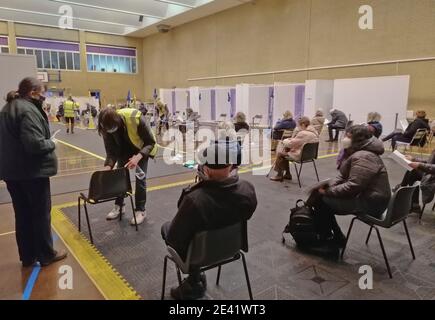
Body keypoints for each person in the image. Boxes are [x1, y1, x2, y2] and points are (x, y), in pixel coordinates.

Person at [160, 142, 257, 300]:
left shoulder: (195, 199)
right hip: (231, 248)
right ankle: (195, 279)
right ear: (231, 165)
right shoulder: (247, 189)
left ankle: (193, 282)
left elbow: (175, 238)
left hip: (199, 255)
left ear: (206, 169)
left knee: (167, 228)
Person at [0, 77, 67, 267]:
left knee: (22, 215)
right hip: (32, 173)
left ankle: (27, 256)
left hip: (13, 173)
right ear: (32, 93)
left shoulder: (7, 108)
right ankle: (46, 254)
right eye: (42, 92)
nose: (44, 95)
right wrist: (51, 143)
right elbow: (34, 144)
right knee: (40, 214)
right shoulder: (28, 110)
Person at [307, 125, 391, 248]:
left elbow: (353, 186)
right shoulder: (361, 152)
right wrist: (330, 186)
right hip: (372, 198)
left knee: (322, 201)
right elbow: (343, 176)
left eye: (348, 136)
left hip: (371, 204)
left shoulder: (363, 156)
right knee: (320, 197)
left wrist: (328, 192)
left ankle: (329, 238)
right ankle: (335, 235)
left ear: (357, 139)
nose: (345, 138)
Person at [98, 107, 157, 225]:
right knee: (119, 177)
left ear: (118, 121)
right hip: (123, 150)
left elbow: (150, 142)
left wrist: (138, 157)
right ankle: (119, 206)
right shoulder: (106, 128)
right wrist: (108, 166)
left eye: (113, 128)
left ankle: (141, 211)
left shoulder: (135, 117)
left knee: (140, 179)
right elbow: (111, 152)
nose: (110, 131)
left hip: (141, 149)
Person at [270, 117, 319, 182]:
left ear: (303, 124)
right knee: (286, 152)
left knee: (281, 154)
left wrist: (285, 140)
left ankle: (279, 175)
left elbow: (291, 144)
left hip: (301, 156)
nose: (298, 127)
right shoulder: (315, 133)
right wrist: (291, 140)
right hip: (310, 156)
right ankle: (287, 174)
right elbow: (299, 141)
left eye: (299, 125)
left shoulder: (303, 133)